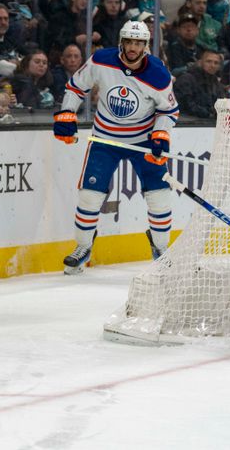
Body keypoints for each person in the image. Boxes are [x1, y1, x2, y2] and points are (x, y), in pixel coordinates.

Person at [53, 21, 178, 274]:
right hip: (105, 139)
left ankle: (161, 247)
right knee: (90, 194)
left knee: (159, 196)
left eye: (138, 43)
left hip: (142, 141)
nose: (132, 48)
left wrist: (161, 133)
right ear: (122, 42)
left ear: (145, 46)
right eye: (129, 42)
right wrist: (67, 112)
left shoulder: (158, 74)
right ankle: (83, 247)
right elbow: (76, 87)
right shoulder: (101, 60)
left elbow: (169, 110)